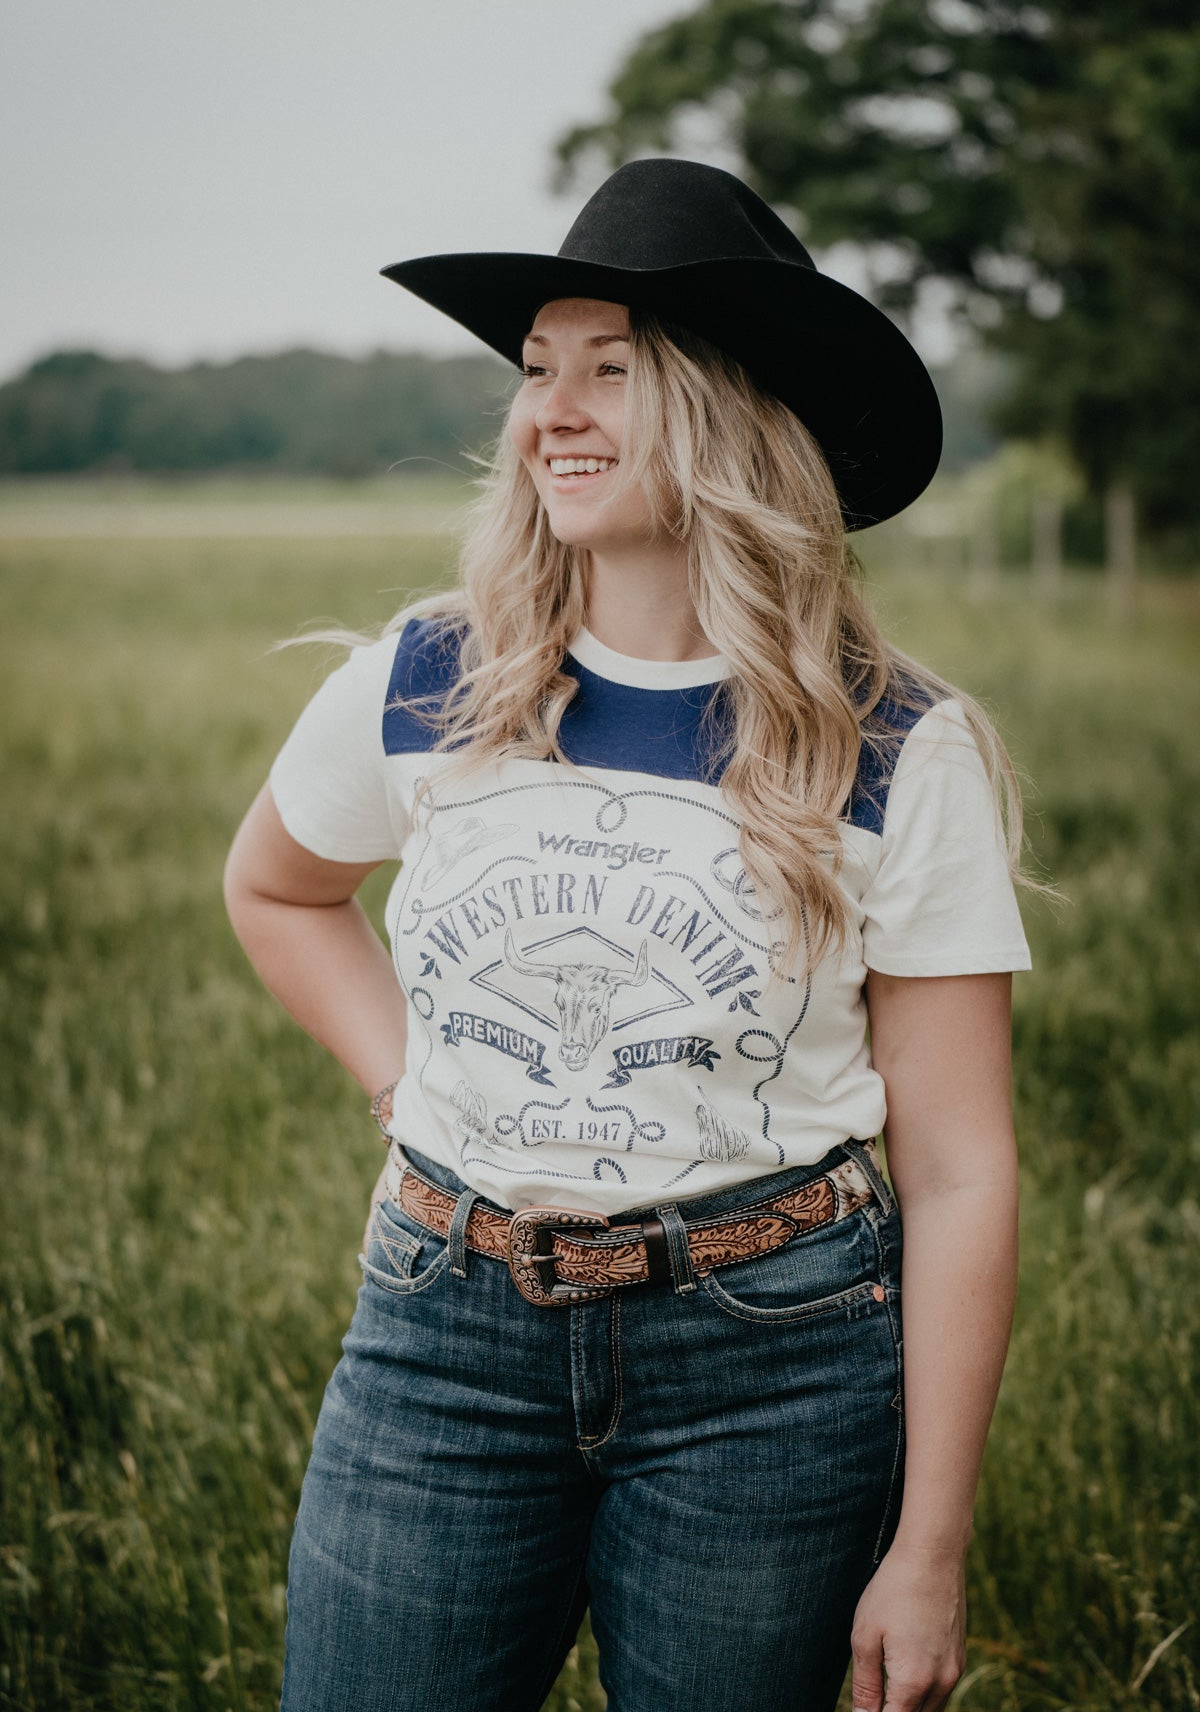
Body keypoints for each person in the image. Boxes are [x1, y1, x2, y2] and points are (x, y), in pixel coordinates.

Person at [224, 159, 1032, 1712]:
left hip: (772, 1375)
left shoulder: (890, 748)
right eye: (537, 370)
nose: (551, 413)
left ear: (731, 411)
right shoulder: (432, 684)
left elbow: (958, 1168)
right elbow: (275, 888)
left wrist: (930, 1549)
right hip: (440, 1347)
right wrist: (408, 1085)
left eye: (613, 368)